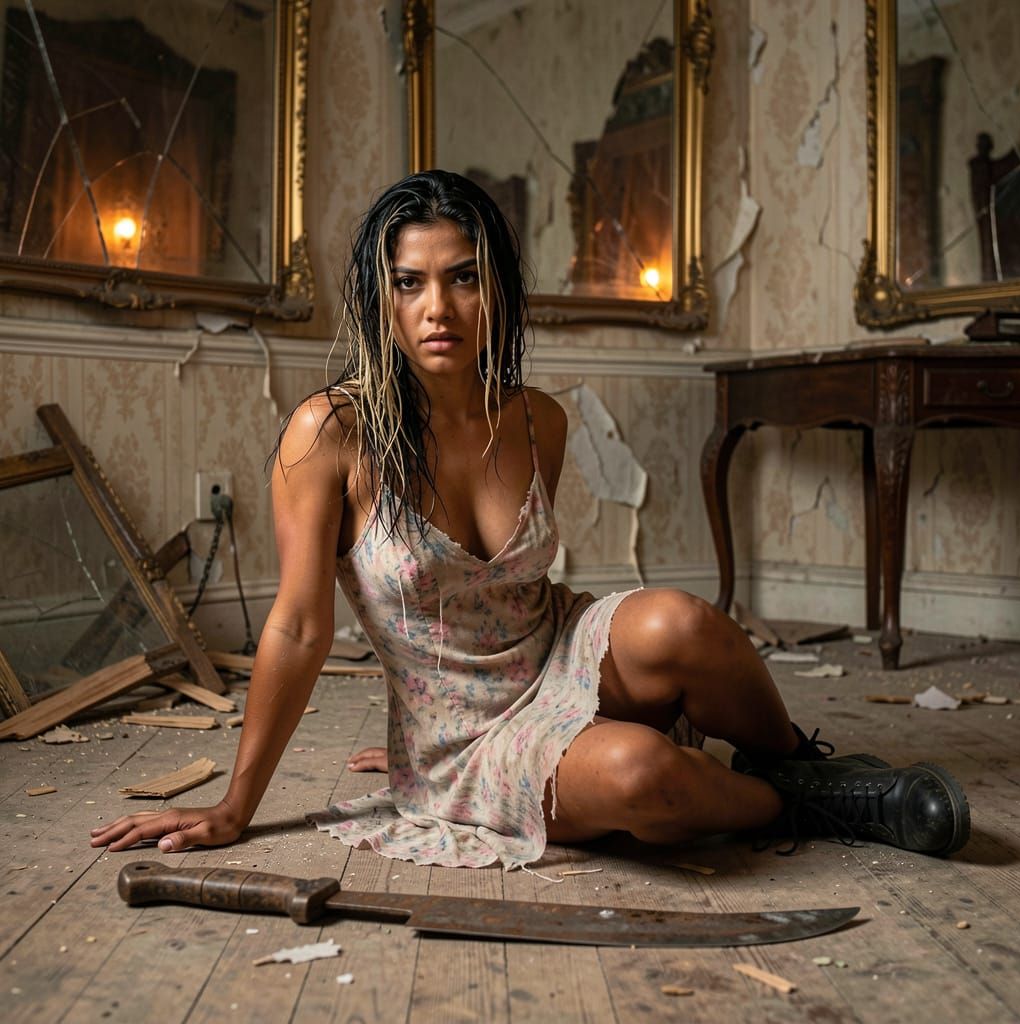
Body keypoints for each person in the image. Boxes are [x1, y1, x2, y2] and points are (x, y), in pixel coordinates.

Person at [91, 170, 970, 867]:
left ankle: (801, 765)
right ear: (381, 300)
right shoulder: (331, 432)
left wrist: (598, 674)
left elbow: (515, 592)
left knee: (686, 622)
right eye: (410, 284)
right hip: (466, 739)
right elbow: (294, 627)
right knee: (642, 778)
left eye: (463, 278)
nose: (438, 309)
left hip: (557, 649)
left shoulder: (536, 418)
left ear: (497, 288)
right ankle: (814, 807)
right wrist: (234, 805)